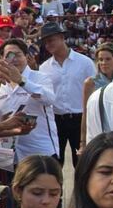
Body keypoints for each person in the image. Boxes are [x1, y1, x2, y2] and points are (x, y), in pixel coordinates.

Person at [38, 22, 96, 166]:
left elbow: (95, 90)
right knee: (55, 163)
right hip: (56, 120)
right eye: (45, 42)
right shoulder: (44, 68)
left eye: (51, 40)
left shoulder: (85, 63)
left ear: (61, 37)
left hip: (80, 119)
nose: (48, 45)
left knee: (83, 164)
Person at [0, 39, 59, 160]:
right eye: (8, 55)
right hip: (9, 156)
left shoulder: (40, 77)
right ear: (3, 59)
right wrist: (4, 124)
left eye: (17, 55)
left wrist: (21, 81)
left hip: (40, 152)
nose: (13, 59)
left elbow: (49, 99)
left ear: (26, 56)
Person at [80, 43, 113, 149]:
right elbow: (85, 113)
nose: (103, 63)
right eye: (100, 59)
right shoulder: (91, 82)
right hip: (98, 134)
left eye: (108, 59)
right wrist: (83, 143)